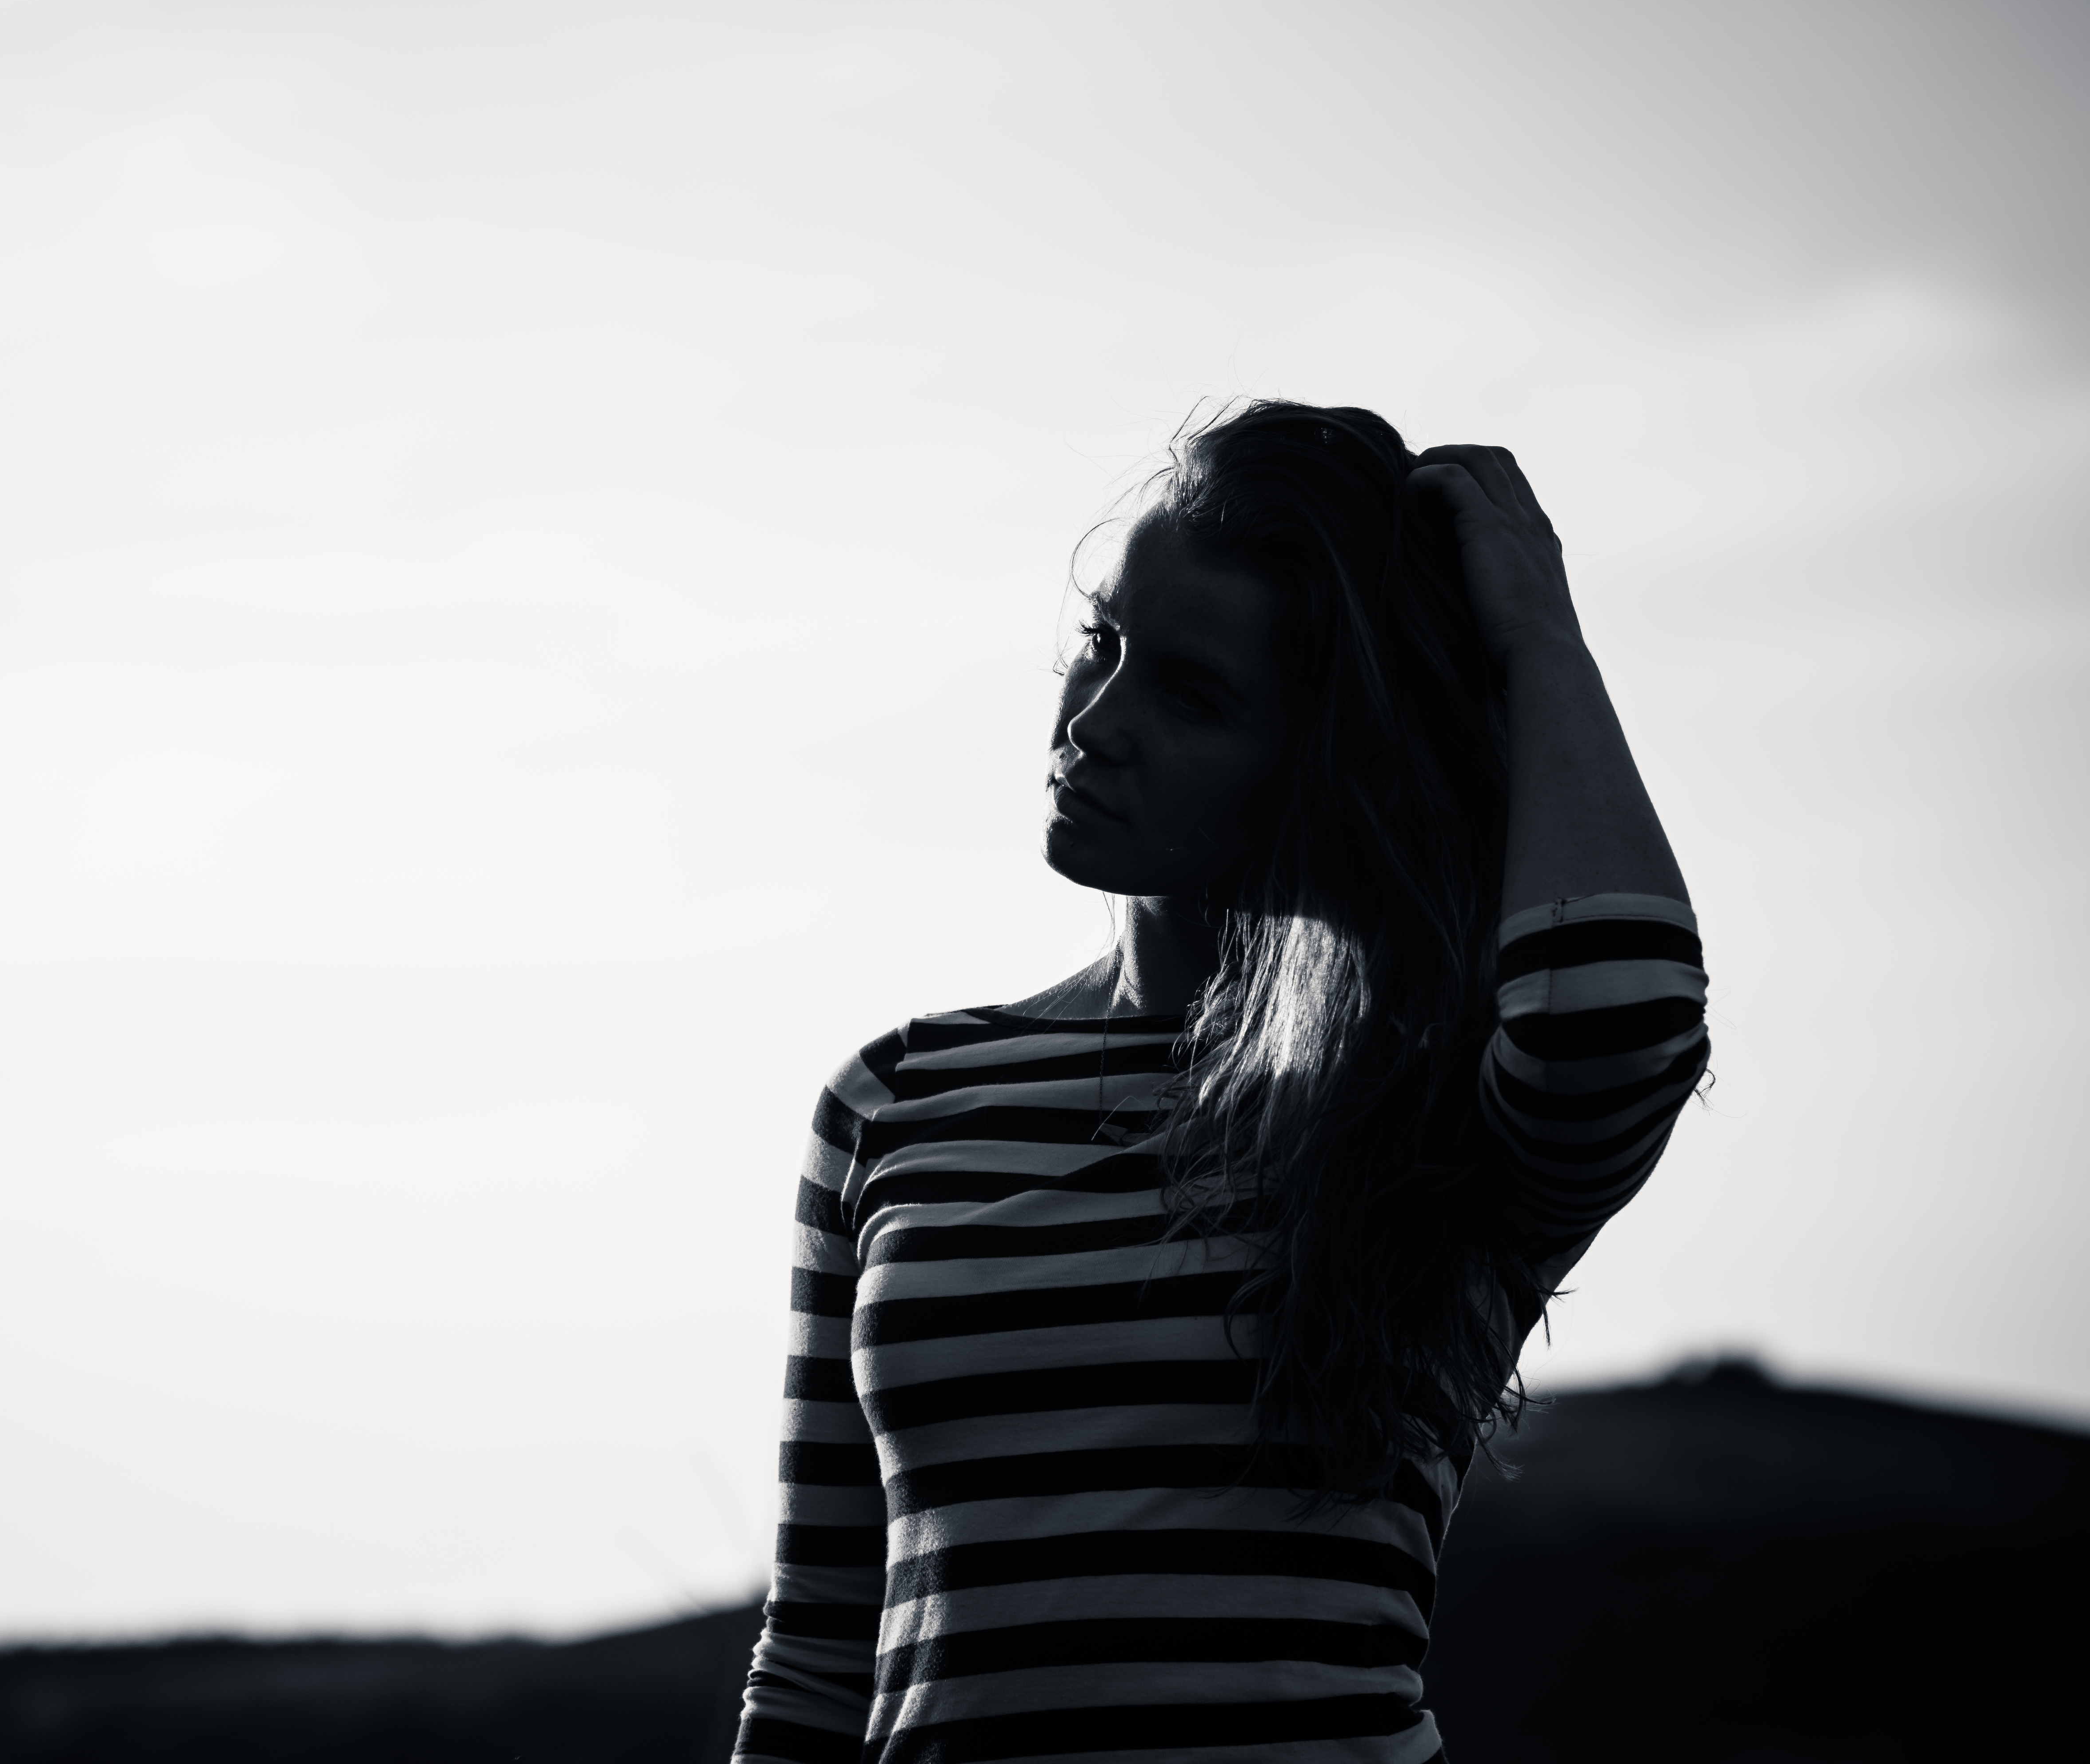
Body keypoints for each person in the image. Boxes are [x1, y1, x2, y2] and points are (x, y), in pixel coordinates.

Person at [732, 401, 1710, 1764]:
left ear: (1329, 760)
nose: (1096, 721)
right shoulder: (902, 1095)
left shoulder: (1436, 1102)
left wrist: (1539, 638)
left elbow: (1619, 1005)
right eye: (1105, 642)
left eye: (1193, 695)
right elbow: (821, 1646)